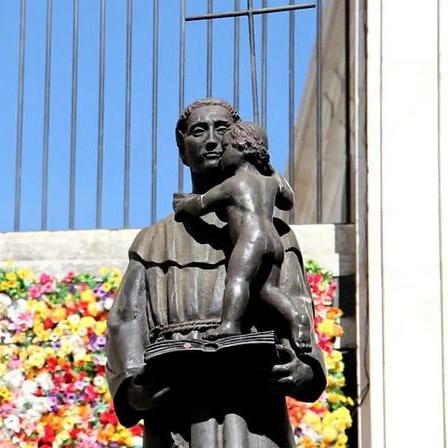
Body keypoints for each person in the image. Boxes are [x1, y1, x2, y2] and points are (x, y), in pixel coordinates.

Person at [105, 98, 326, 448]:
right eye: (198, 131)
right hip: (178, 404)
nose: (210, 140)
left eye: (221, 130)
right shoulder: (153, 240)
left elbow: (296, 307)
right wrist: (134, 387)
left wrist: (303, 368)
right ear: (182, 150)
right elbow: (126, 321)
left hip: (254, 407)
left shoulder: (277, 233)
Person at [172, 122, 311, 353]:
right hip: (273, 240)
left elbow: (202, 203)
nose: (221, 152)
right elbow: (288, 200)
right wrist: (270, 168)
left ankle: (229, 324)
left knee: (238, 280)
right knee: (268, 290)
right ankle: (297, 317)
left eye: (226, 147)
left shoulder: (233, 184)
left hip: (252, 238)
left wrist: (183, 205)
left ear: (242, 149)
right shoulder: (270, 182)